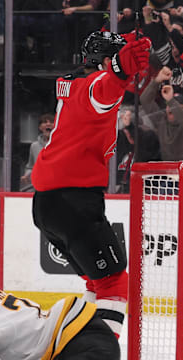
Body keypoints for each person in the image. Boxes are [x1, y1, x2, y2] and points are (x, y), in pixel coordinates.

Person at [31, 31, 151, 338]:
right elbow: (109, 85)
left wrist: (124, 40)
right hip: (75, 200)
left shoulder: (75, 85)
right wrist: (122, 64)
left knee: (96, 282)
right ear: (106, 61)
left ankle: (81, 352)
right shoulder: (96, 86)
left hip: (46, 203)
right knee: (113, 282)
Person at [20, 113, 54, 192]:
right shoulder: (34, 146)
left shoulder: (61, 145)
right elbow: (31, 166)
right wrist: (27, 175)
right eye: (45, 122)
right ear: (40, 127)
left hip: (56, 187)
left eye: (51, 122)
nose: (48, 124)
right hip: (39, 188)